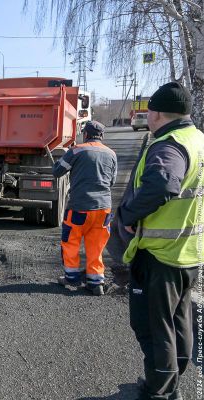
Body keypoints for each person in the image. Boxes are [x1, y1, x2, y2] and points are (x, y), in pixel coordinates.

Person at [117, 82, 203, 400]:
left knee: (153, 327)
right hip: (189, 252)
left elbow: (163, 184)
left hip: (161, 254)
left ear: (155, 113)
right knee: (179, 321)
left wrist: (127, 215)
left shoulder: (169, 145)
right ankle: (173, 384)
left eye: (149, 110)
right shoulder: (197, 139)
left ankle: (160, 390)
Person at [53, 121, 118, 296]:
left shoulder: (77, 150)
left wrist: (60, 158)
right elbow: (111, 181)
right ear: (102, 136)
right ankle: (96, 283)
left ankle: (72, 277)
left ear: (86, 134)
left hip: (80, 207)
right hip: (104, 208)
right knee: (96, 246)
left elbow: (58, 171)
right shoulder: (111, 154)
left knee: (71, 241)